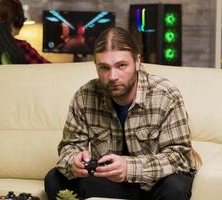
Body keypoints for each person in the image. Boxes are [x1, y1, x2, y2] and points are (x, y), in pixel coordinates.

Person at [45, 26, 199, 200]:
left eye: (121, 66)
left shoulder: (165, 94)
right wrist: (74, 161)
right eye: (104, 67)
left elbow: (180, 158)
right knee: (55, 179)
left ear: (138, 62)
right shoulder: (84, 96)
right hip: (110, 182)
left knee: (176, 186)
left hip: (154, 184)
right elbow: (69, 147)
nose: (112, 76)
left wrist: (129, 168)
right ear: (96, 67)